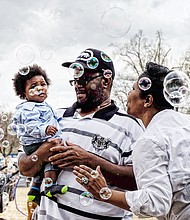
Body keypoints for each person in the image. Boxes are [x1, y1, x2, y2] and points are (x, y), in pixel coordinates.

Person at [17, 48, 144, 220]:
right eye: (75, 77)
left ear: (106, 81)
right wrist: (42, 153)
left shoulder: (130, 126)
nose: (77, 83)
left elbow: (140, 181)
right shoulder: (53, 117)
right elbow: (24, 168)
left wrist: (87, 160)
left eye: (84, 77)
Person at [73, 62, 190, 219]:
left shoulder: (150, 140)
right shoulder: (186, 124)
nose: (128, 93)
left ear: (147, 100)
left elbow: (156, 204)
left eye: (133, 89)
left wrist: (104, 192)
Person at [12, 64, 68, 206]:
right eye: (33, 86)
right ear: (23, 93)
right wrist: (44, 129)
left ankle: (34, 190)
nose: (39, 88)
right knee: (52, 160)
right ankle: (49, 187)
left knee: (41, 167)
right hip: (35, 143)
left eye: (43, 84)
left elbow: (53, 119)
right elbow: (30, 126)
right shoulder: (28, 108)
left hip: (39, 142)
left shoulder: (43, 105)